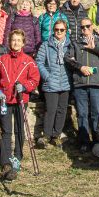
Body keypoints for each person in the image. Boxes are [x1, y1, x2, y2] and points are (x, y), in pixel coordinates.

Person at [0, 29, 41, 165]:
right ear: (9, 42)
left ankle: (18, 155)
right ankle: (6, 157)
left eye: (18, 40)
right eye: (13, 40)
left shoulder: (29, 61)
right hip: (4, 100)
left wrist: (25, 86)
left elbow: (35, 79)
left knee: (19, 129)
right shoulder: (2, 60)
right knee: (6, 129)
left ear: (23, 43)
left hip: (20, 99)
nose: (16, 43)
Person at [64, 17, 99, 152]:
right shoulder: (75, 44)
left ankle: (98, 140)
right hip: (80, 83)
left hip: (96, 83)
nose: (85, 29)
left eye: (87, 26)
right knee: (82, 113)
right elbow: (68, 58)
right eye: (82, 27)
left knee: (97, 112)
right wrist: (80, 67)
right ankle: (84, 141)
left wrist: (95, 48)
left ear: (92, 27)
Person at [35, 19, 72, 147]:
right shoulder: (46, 45)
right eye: (57, 29)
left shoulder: (70, 45)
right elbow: (39, 61)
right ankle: (46, 135)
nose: (59, 32)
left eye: (62, 30)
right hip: (51, 83)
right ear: (53, 30)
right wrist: (47, 76)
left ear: (66, 31)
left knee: (62, 110)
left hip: (65, 82)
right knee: (50, 110)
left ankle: (56, 135)